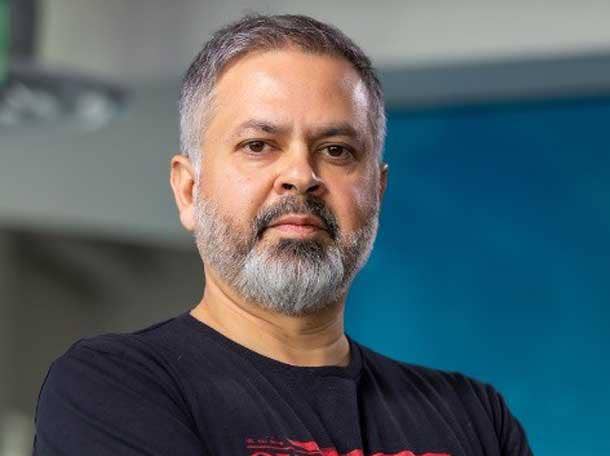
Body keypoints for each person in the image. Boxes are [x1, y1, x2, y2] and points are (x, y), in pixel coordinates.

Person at [33, 14, 532, 456]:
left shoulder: (474, 418)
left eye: (336, 150)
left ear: (377, 193)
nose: (301, 175)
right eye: (259, 145)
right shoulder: (111, 387)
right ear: (188, 191)